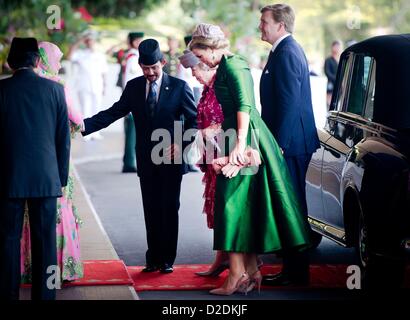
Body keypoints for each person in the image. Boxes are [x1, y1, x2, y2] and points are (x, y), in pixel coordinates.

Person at [189, 23, 311, 295]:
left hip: (246, 139)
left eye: (199, 56)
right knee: (239, 204)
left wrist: (240, 146)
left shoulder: (233, 66)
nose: (200, 62)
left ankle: (236, 275)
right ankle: (251, 271)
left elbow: (245, 106)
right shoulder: (227, 65)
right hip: (237, 136)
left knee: (229, 204)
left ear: (211, 49)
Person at [81, 39, 197, 274]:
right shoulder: (134, 87)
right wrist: (83, 125)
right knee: (151, 208)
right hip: (145, 158)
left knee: (169, 207)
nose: (150, 73)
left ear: (163, 63)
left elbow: (194, 121)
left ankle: (166, 259)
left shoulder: (179, 87)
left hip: (171, 156)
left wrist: (180, 142)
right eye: (145, 69)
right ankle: (152, 258)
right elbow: (114, 112)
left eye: (154, 68)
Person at [0, 37, 70, 300]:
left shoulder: (2, 91)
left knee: (7, 241)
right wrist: (60, 178)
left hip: (8, 178)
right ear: (38, 61)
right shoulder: (55, 90)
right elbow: (62, 139)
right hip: (46, 177)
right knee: (45, 242)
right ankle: (45, 296)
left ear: (9, 62)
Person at [258, 4, 320, 286]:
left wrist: (279, 145)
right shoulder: (282, 51)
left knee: (293, 207)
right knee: (290, 206)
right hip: (290, 142)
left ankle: (297, 273)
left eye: (264, 22)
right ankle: (292, 270)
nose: (261, 26)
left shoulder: (287, 53)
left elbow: (289, 102)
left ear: (280, 26)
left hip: (291, 144)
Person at [20, 41, 84, 285]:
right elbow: (78, 121)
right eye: (57, 59)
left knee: (28, 216)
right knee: (55, 214)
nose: (58, 64)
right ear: (48, 60)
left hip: (26, 164)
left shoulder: (23, 82)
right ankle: (58, 271)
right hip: (54, 161)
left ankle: (28, 268)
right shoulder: (57, 85)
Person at [178, 49, 229, 276]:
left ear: (206, 66)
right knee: (216, 209)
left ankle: (242, 262)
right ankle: (222, 257)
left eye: (195, 70)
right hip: (211, 156)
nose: (193, 75)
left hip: (223, 154)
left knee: (225, 209)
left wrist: (209, 131)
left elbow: (231, 116)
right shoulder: (208, 89)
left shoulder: (221, 86)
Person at [67, 30, 108, 141]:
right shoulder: (80, 54)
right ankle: (87, 133)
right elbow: (69, 57)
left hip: (97, 85)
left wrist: (105, 86)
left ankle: (96, 132)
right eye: (88, 40)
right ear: (85, 42)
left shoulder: (100, 55)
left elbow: (104, 72)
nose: (90, 42)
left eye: (92, 40)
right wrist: (79, 41)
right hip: (83, 85)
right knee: (85, 109)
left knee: (97, 110)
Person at [121, 32, 145, 173]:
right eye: (139, 40)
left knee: (134, 132)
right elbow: (128, 81)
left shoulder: (133, 56)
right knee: (132, 133)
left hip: (135, 100)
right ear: (135, 42)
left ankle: (130, 161)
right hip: (134, 101)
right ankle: (130, 162)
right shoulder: (133, 57)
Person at [324, 40, 342, 107]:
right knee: (330, 105)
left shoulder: (341, 59)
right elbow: (327, 72)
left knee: (339, 105)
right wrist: (337, 79)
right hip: (331, 85)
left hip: (340, 87)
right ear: (332, 47)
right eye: (336, 46)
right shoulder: (328, 60)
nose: (337, 48)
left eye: (338, 47)